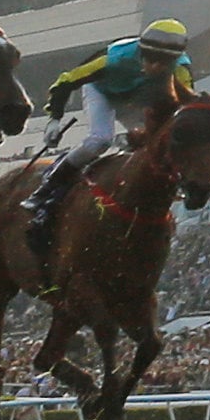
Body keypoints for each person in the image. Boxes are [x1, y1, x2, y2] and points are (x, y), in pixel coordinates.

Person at [20, 19, 198, 260]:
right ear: (141, 51)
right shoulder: (113, 59)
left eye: (162, 63)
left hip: (137, 98)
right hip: (101, 91)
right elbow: (66, 81)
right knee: (100, 140)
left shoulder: (181, 70)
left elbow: (186, 108)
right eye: (150, 58)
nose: (155, 66)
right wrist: (54, 119)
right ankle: (48, 186)